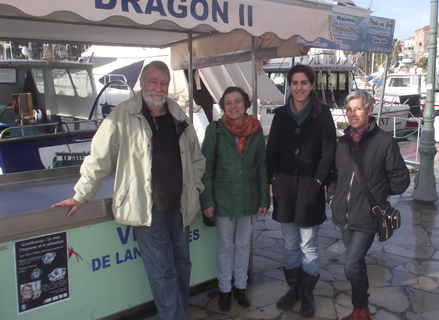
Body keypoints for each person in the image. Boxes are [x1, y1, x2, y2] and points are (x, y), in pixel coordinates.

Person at [52, 61, 205, 320]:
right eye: (153, 81)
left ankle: (178, 312)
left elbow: (196, 159)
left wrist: (195, 187)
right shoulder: (122, 115)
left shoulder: (178, 113)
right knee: (162, 272)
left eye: (164, 83)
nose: (158, 88)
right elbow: (99, 158)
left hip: (180, 209)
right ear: (142, 83)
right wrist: (81, 195)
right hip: (147, 212)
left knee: (182, 266)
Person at [327, 90, 410, 320]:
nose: (353, 114)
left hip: (367, 217)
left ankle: (358, 307)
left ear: (370, 110)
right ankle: (362, 311)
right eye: (349, 109)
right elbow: (335, 175)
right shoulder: (343, 142)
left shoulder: (385, 142)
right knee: (358, 262)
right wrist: (333, 198)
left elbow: (401, 180)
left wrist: (378, 193)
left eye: (358, 109)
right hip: (343, 215)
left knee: (351, 266)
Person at [267, 64, 336, 318]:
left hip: (310, 190)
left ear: (311, 85)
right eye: (294, 83)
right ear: (289, 86)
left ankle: (307, 292)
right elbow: (271, 150)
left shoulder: (323, 114)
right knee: (290, 242)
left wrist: (318, 182)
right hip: (285, 191)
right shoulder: (281, 115)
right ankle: (293, 288)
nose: (299, 88)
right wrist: (275, 178)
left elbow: (329, 151)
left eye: (303, 83)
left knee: (309, 244)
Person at [200, 87, 270, 312]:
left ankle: (240, 287)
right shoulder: (215, 130)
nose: (233, 106)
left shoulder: (256, 130)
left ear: (246, 104)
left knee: (243, 245)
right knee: (224, 246)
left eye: (237, 101)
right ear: (223, 105)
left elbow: (261, 167)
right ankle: (224, 288)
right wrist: (207, 201)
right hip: (222, 200)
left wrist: (264, 199)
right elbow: (206, 169)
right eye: (228, 102)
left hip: (249, 199)